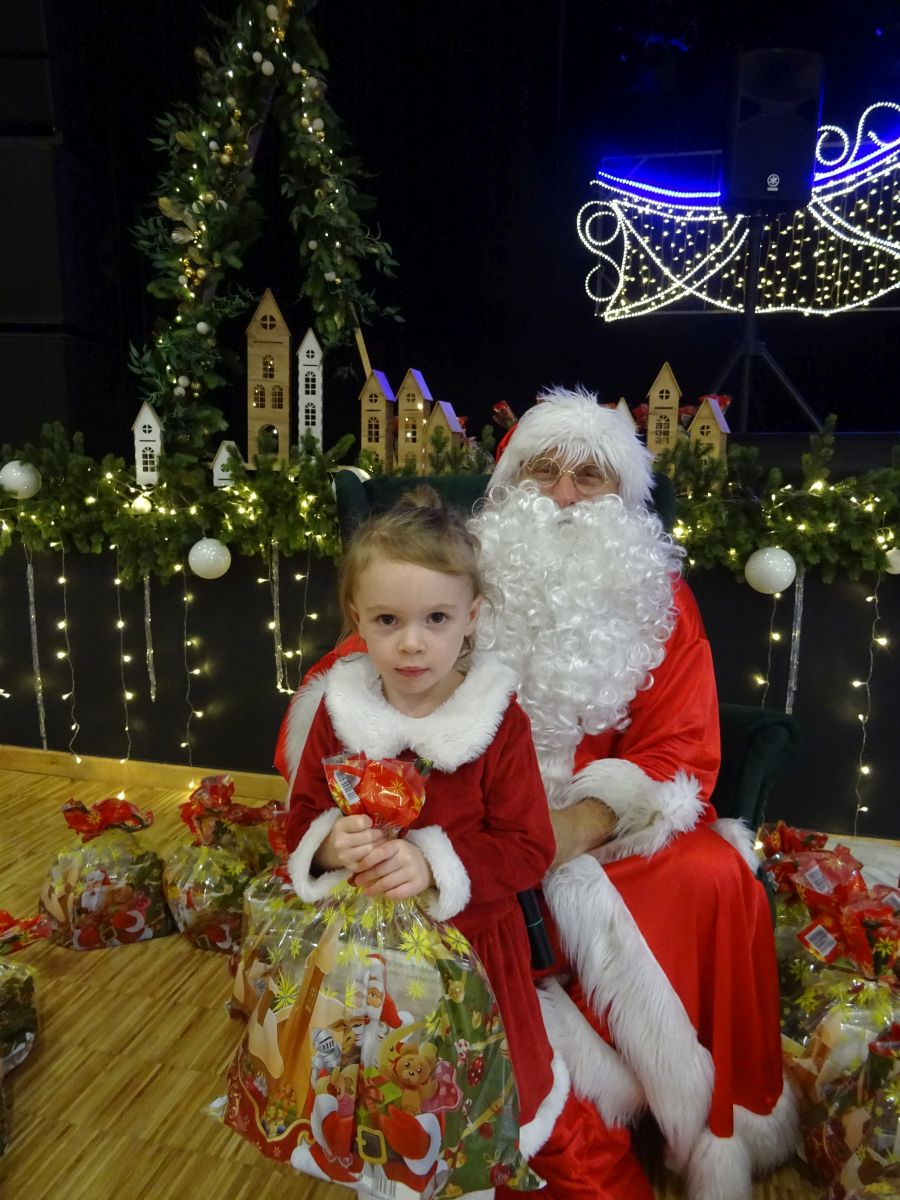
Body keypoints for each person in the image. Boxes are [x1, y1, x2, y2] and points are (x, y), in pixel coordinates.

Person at [469, 386, 798, 1200]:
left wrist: (577, 824)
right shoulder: (456, 573)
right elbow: (367, 671)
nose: (565, 494)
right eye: (544, 471)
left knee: (714, 876)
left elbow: (682, 742)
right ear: (510, 484)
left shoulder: (660, 595)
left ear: (623, 497)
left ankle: (697, 1115)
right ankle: (571, 1104)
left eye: (590, 476)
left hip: (607, 831)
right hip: (473, 821)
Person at [284, 488, 637, 1199]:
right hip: (363, 964)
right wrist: (328, 844)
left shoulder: (497, 721)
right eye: (388, 620)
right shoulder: (339, 710)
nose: (412, 643)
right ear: (356, 616)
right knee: (375, 1108)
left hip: (471, 962)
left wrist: (435, 862)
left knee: (462, 1114)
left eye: (436, 619)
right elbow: (300, 822)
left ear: (472, 616)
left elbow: (527, 847)